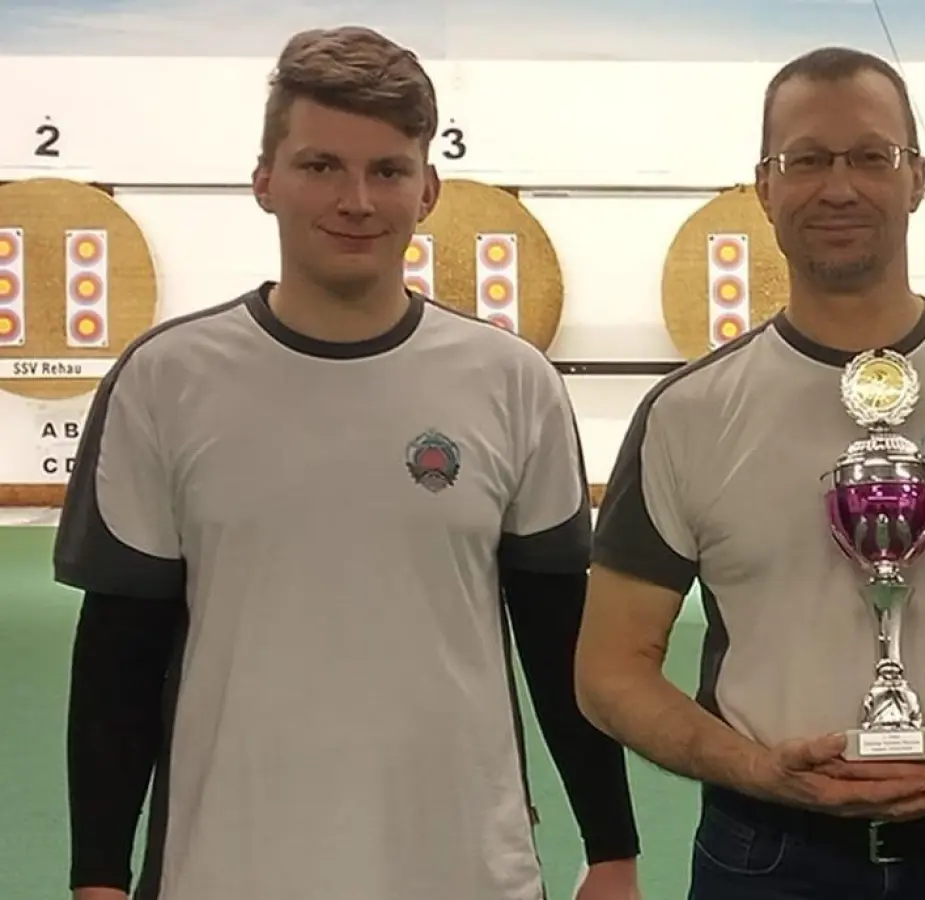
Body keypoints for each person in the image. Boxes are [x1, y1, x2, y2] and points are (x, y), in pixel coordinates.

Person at [53, 26, 642, 900]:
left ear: (428, 189)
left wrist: (612, 849)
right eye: (321, 166)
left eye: (388, 171)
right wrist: (98, 877)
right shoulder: (164, 380)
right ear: (265, 182)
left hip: (463, 869)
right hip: (225, 868)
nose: (357, 200)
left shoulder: (513, 383)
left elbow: (559, 636)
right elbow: (117, 656)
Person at [572, 45, 925, 900]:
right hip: (760, 855)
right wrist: (757, 768)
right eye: (808, 160)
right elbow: (610, 668)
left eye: (872, 156)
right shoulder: (688, 412)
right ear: (764, 185)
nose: (840, 186)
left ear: (915, 177)